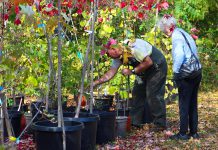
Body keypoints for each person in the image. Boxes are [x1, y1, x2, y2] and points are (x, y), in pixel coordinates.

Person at [93, 38, 167, 131]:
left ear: (114, 49)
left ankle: (160, 124)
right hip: (143, 70)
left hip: (157, 66)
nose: (108, 56)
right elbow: (110, 73)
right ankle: (135, 122)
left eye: (107, 53)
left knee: (153, 93)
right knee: (137, 92)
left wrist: (132, 71)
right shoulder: (118, 57)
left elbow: (149, 62)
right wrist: (95, 83)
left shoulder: (132, 47)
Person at [158, 15, 202, 140]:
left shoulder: (176, 37)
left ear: (170, 27)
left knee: (183, 103)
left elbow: (180, 56)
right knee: (193, 102)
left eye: (164, 30)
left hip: (186, 74)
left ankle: (183, 133)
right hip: (197, 71)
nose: (164, 33)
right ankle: (194, 132)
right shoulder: (183, 32)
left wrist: (176, 73)